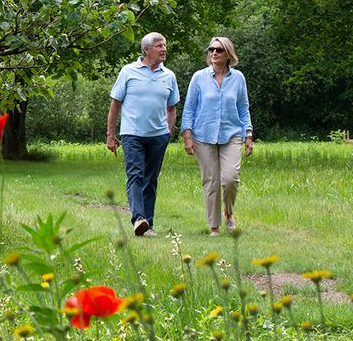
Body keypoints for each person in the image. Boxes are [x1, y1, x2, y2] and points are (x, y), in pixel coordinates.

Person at [106, 32, 179, 238]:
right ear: (146, 49)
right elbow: (115, 104)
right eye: (159, 46)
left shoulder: (169, 76)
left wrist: (168, 132)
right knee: (136, 175)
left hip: (158, 136)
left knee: (151, 180)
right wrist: (111, 135)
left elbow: (172, 108)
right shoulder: (128, 72)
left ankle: (149, 224)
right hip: (132, 134)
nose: (164, 49)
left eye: (165, 45)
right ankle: (139, 219)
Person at [180, 36, 253, 235]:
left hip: (232, 134)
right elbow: (189, 109)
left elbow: (243, 108)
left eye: (218, 50)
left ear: (228, 54)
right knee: (210, 181)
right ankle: (214, 227)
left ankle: (228, 214)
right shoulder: (199, 77)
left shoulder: (238, 78)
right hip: (203, 135)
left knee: (230, 178)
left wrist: (248, 134)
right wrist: (187, 136)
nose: (213, 53)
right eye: (211, 49)